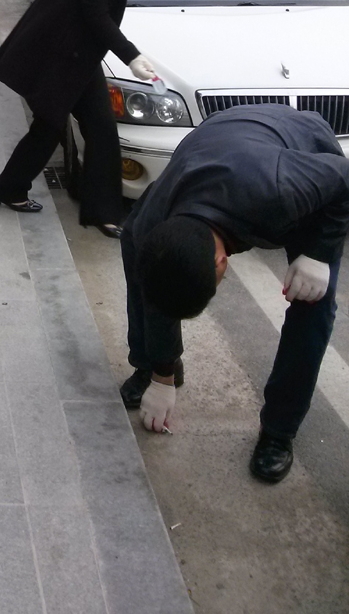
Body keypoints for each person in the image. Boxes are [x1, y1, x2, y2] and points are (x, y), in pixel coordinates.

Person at [121, 103, 349, 484]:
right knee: (145, 264)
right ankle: (149, 363)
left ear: (222, 261)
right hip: (219, 139)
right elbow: (159, 294)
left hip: (301, 150)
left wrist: (319, 254)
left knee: (313, 303)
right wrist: (162, 373)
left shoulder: (281, 189)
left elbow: (345, 179)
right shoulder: (150, 225)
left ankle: (279, 430)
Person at [0, 0, 181, 235]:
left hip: (75, 56)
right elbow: (95, 14)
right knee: (50, 127)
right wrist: (131, 56)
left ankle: (100, 212)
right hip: (57, 56)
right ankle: (13, 188)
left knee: (98, 130)